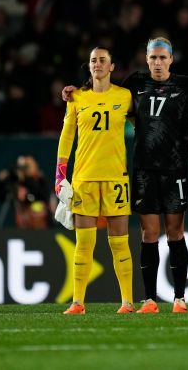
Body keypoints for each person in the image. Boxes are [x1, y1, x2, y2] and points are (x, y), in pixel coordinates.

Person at [64, 36, 188, 314]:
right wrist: (76, 91)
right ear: (146, 59)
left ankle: (177, 298)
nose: (157, 62)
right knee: (148, 233)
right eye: (153, 57)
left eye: (162, 57)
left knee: (174, 232)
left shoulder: (183, 85)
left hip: (172, 168)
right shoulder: (133, 85)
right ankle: (146, 299)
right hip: (140, 169)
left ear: (171, 59)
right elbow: (103, 102)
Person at [57, 47, 135, 315]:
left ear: (112, 66)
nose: (98, 64)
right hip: (85, 178)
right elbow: (67, 136)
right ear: (88, 66)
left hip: (116, 178)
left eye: (103, 60)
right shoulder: (77, 97)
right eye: (93, 60)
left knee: (119, 242)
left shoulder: (125, 97)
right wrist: (60, 174)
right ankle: (78, 302)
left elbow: (144, 128)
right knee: (84, 244)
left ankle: (127, 302)